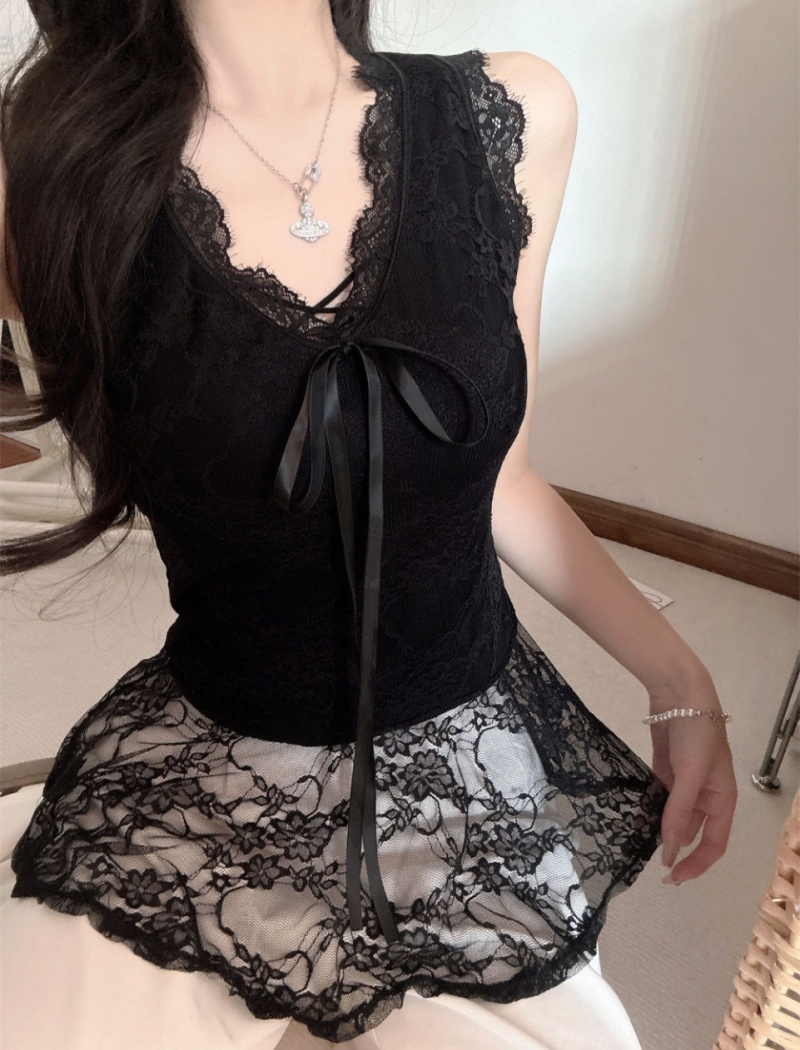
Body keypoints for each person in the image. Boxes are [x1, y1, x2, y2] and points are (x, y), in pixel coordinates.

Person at [0, 1, 738, 1047]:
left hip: (462, 747)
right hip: (222, 764)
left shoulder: (513, 113)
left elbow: (504, 478)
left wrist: (679, 681)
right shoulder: (41, 179)